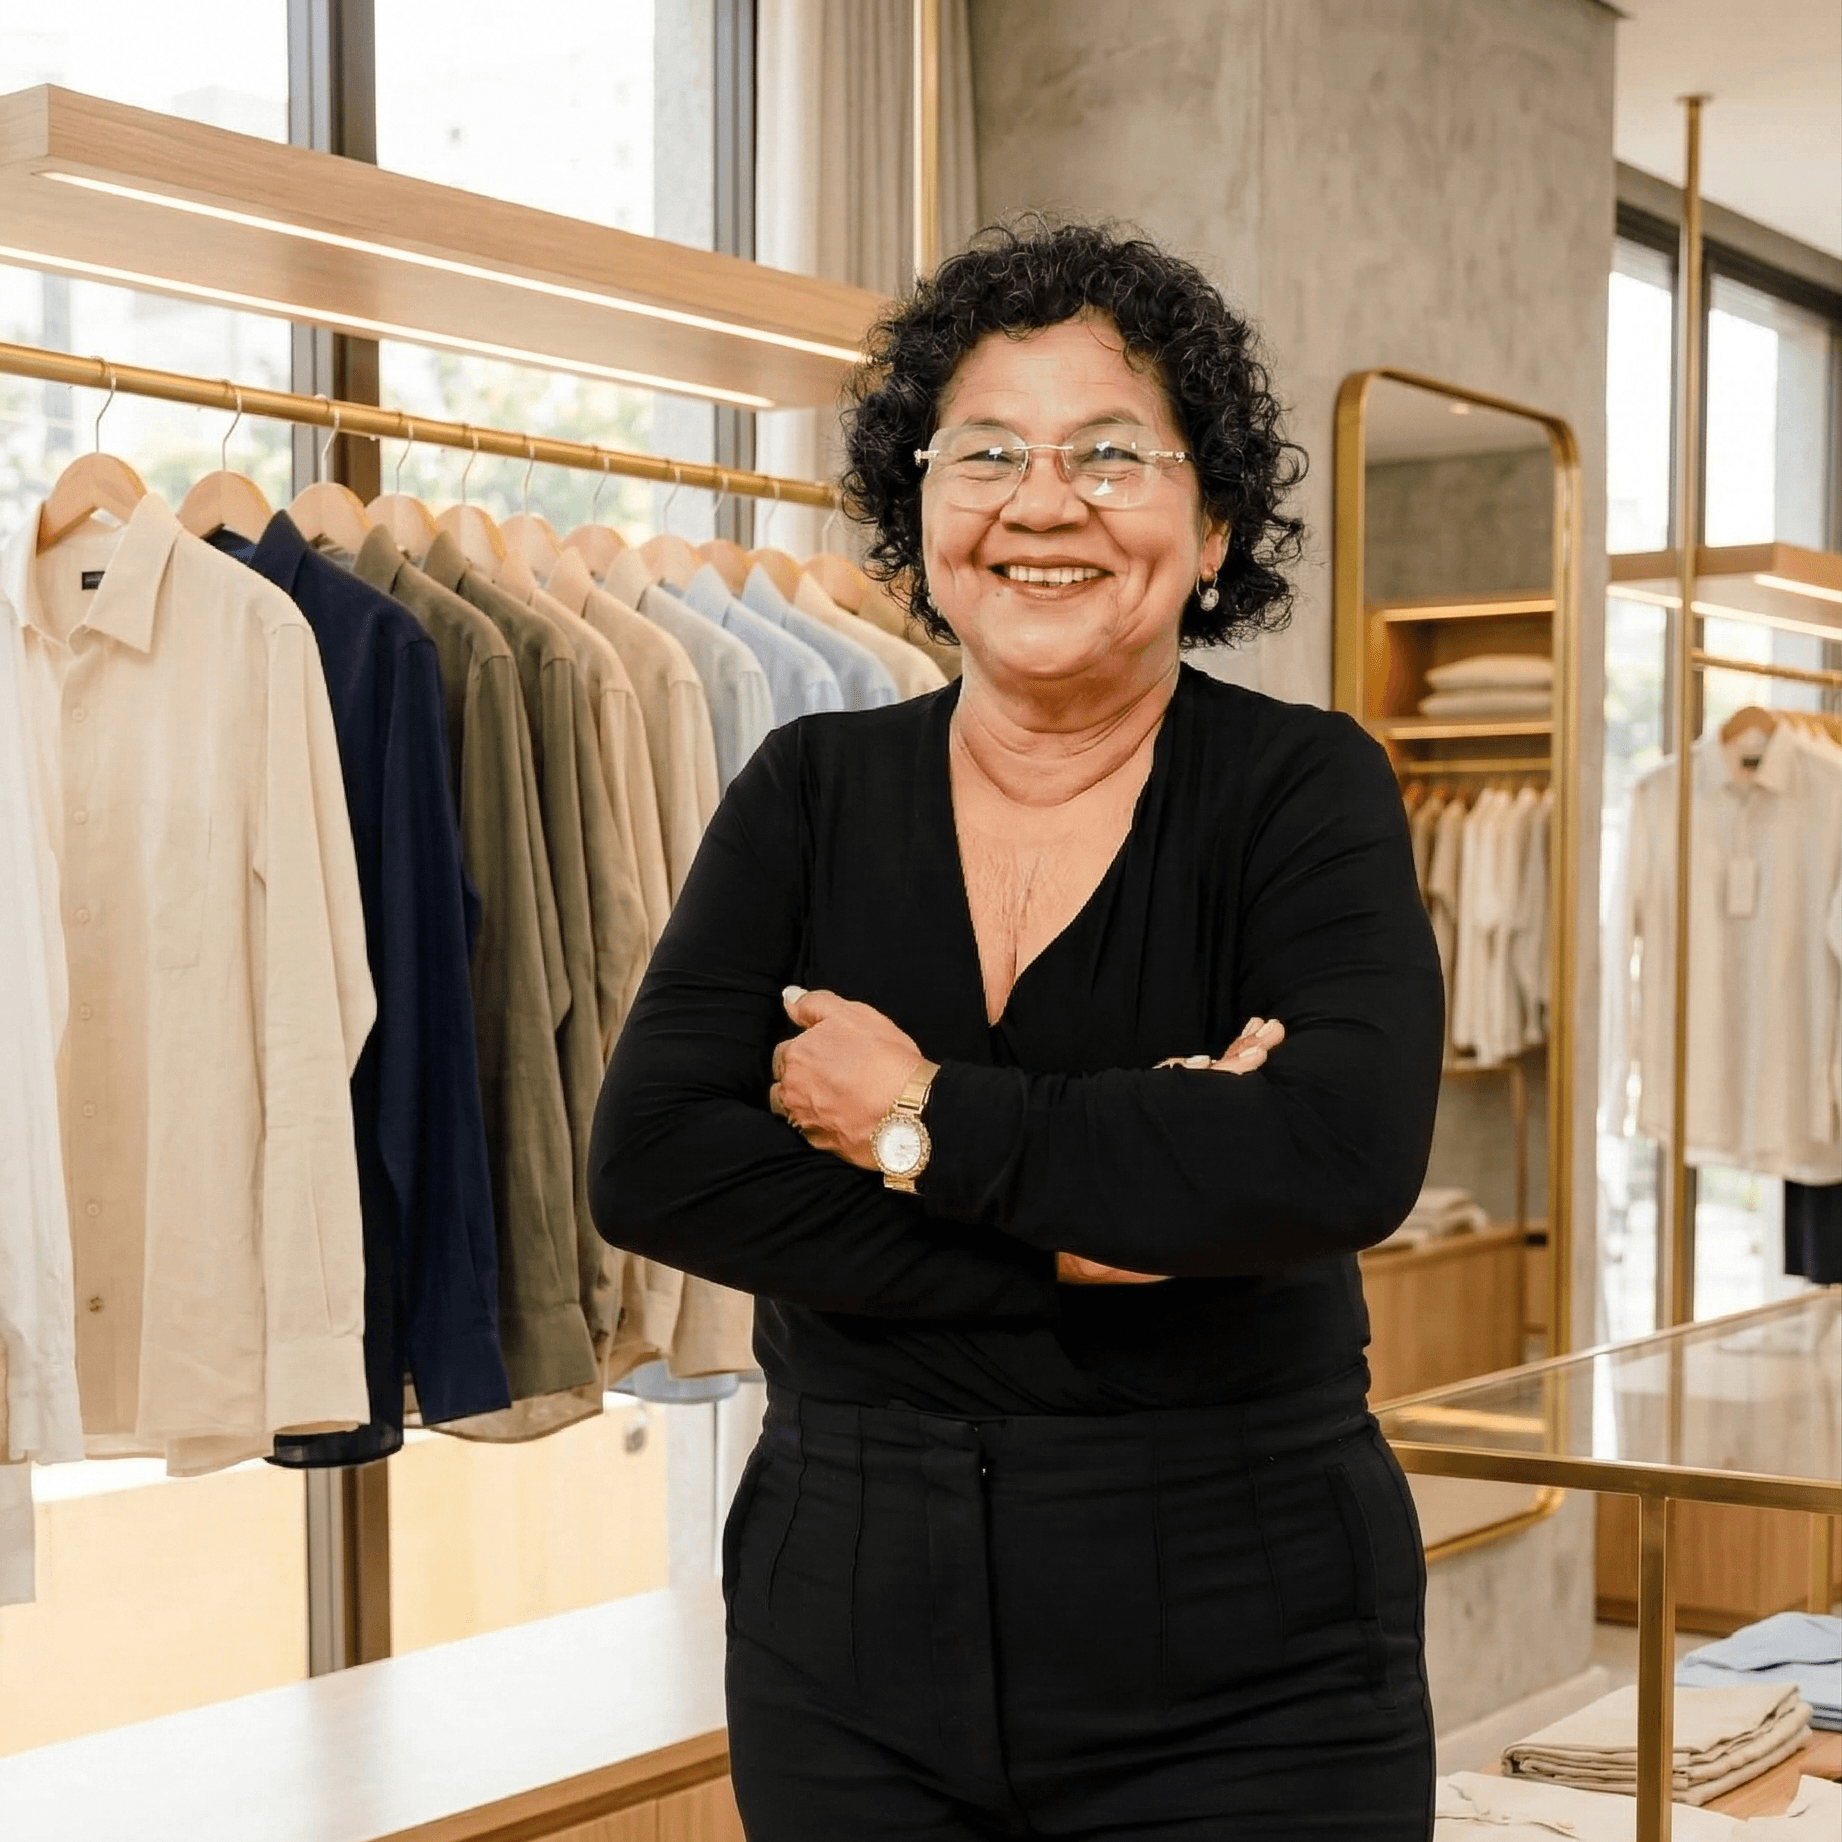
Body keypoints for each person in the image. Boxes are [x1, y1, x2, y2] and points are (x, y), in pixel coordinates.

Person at [590, 220, 1446, 1841]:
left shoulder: (1299, 788)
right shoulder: (806, 793)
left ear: (1210, 532)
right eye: (984, 450)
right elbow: (655, 1168)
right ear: (919, 515)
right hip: (841, 1634)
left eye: (1111, 455)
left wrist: (911, 1117)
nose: (1041, 503)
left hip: (1248, 1648)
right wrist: (1104, 1221)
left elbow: (1334, 1154)